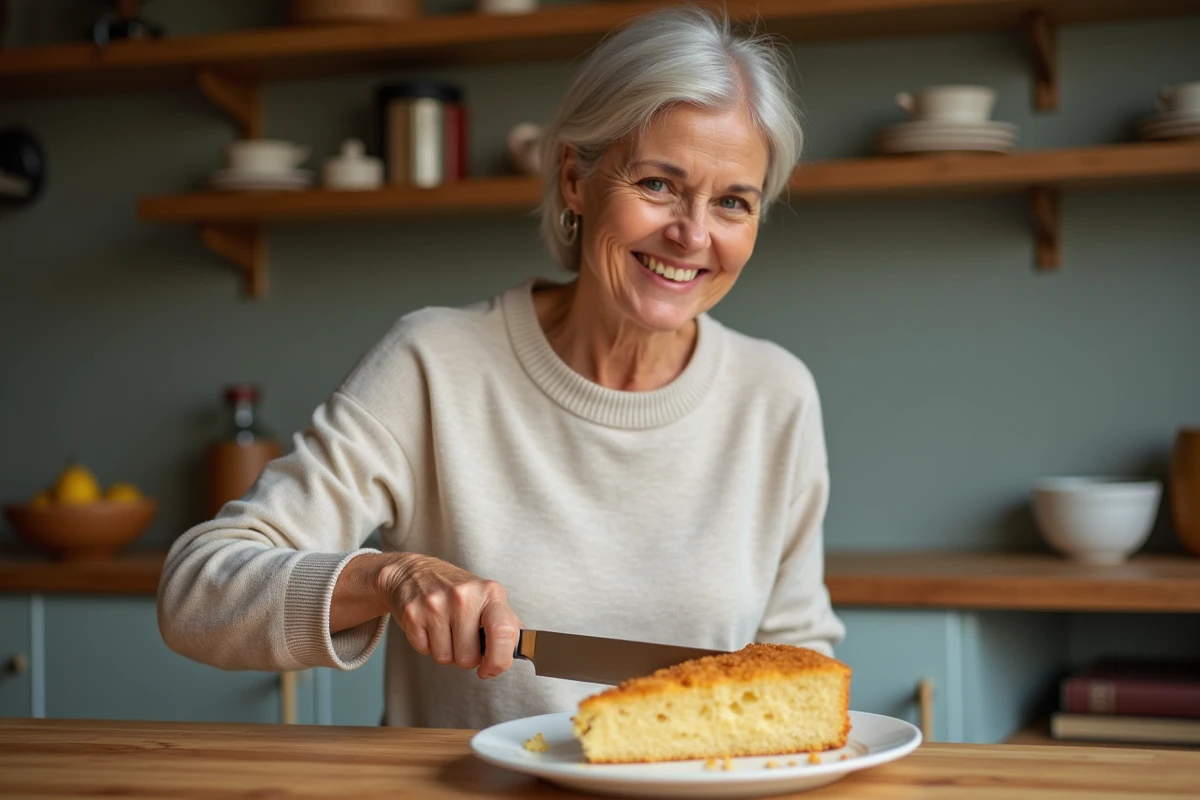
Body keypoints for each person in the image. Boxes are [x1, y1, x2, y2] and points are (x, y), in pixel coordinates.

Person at [158, 5, 845, 730]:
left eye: (733, 202)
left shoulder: (776, 394)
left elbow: (797, 659)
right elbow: (196, 594)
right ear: (576, 179)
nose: (693, 234)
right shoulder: (434, 363)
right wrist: (389, 576)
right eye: (657, 184)